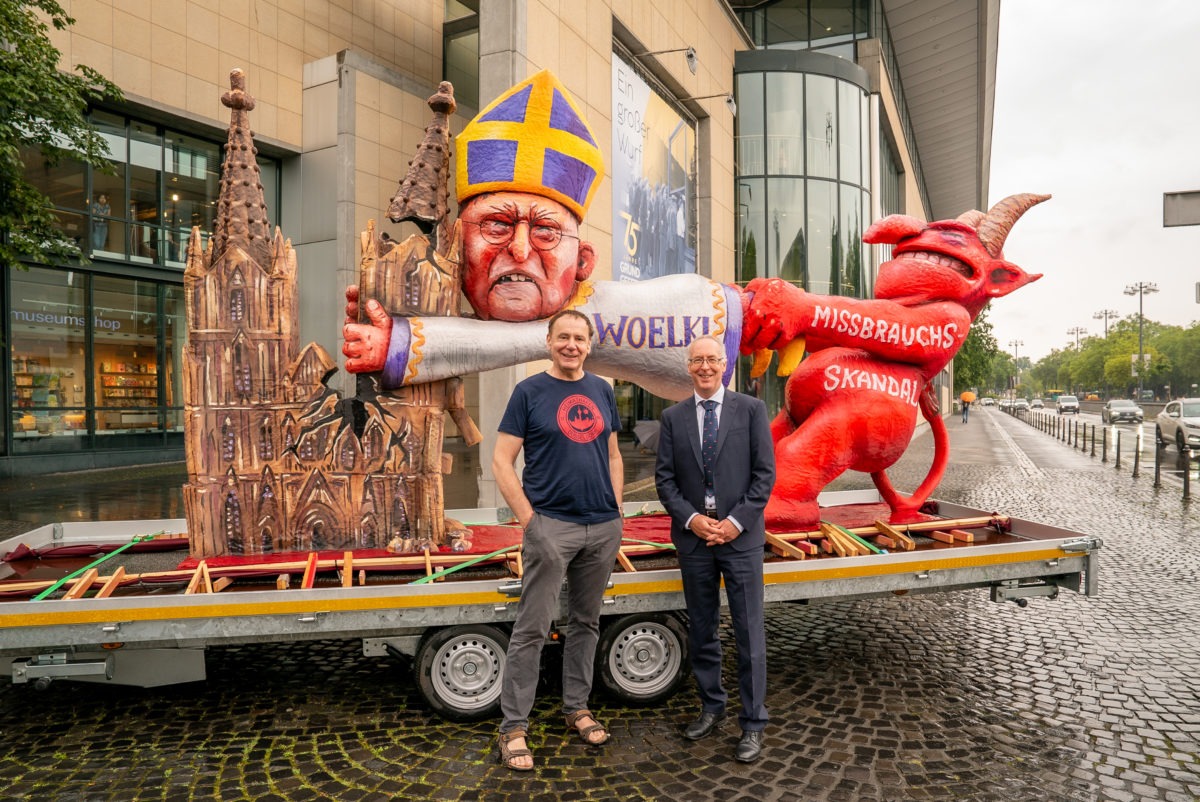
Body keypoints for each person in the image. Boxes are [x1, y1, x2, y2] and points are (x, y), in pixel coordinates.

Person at [492, 308, 625, 771]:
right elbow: (501, 461)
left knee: (586, 623)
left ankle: (577, 708)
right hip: (551, 526)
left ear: (590, 344)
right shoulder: (529, 392)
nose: (572, 345)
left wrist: (617, 512)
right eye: (563, 337)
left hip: (601, 526)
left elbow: (612, 454)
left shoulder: (602, 390)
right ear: (549, 342)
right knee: (531, 628)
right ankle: (513, 727)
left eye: (580, 338)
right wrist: (531, 523)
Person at [654, 334, 776, 763]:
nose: (705, 367)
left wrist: (734, 523)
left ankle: (753, 723)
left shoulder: (751, 409)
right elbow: (665, 481)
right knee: (702, 631)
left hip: (740, 541)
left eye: (712, 359)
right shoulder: (673, 417)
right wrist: (692, 519)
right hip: (694, 540)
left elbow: (764, 476)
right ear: (688, 367)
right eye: (697, 360)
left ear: (724, 364)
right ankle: (711, 706)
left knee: (748, 633)